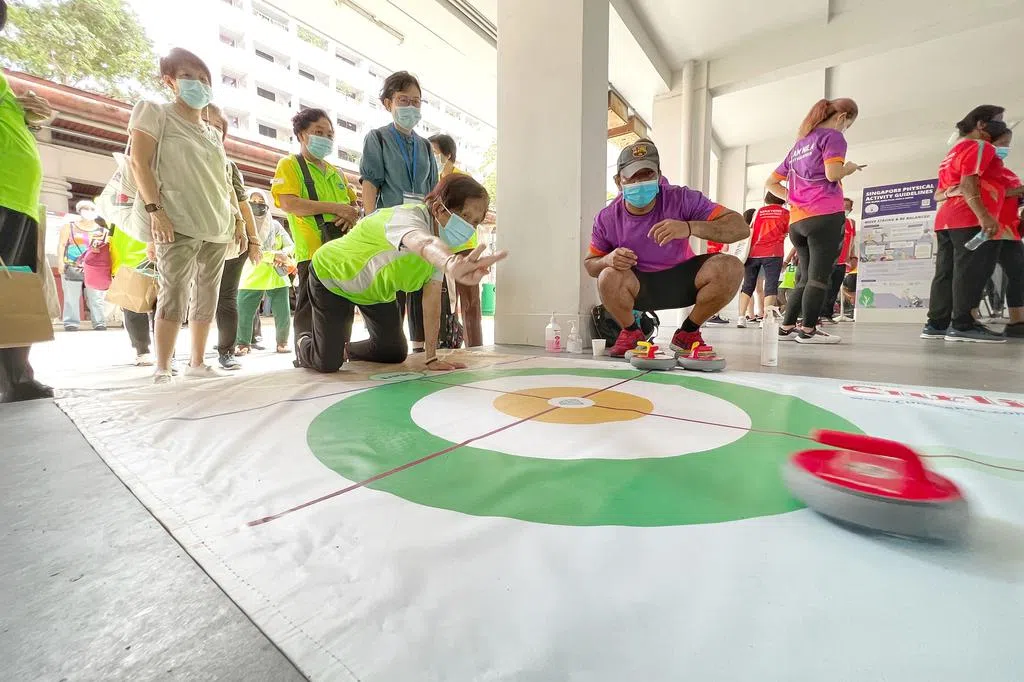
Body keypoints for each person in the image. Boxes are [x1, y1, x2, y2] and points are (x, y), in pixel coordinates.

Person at [294, 174, 505, 373]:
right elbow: (423, 243)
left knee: (393, 352)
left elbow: (431, 302)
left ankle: (345, 350)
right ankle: (304, 341)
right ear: (439, 208)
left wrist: (431, 357)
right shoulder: (407, 218)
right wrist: (450, 262)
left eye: (475, 221)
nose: (469, 227)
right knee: (327, 363)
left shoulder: (441, 247)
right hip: (333, 277)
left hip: (375, 293)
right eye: (465, 216)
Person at [127, 48, 246, 384]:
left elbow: (224, 183)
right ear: (170, 81)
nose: (198, 84)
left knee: (208, 294)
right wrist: (156, 211)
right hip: (176, 219)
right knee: (173, 292)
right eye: (188, 77)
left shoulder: (212, 134)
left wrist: (237, 221)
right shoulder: (155, 112)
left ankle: (197, 362)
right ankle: (163, 366)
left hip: (217, 224)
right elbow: (139, 163)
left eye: (204, 79)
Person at [586, 139, 748, 358]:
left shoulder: (682, 198)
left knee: (731, 266)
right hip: (639, 286)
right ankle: (631, 333)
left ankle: (688, 333)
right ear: (618, 181)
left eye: (647, 175)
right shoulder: (607, 218)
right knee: (607, 275)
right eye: (633, 176)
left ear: (659, 176)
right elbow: (590, 265)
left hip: (682, 281)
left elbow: (740, 228)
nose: (640, 182)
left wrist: (689, 227)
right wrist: (608, 259)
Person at [766, 97, 864, 344]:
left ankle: (787, 327)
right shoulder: (833, 137)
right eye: (848, 124)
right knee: (819, 277)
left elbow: (771, 183)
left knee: (804, 277)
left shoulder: (798, 146)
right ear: (842, 117)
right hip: (824, 216)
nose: (845, 128)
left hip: (797, 221)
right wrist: (850, 168)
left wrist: (793, 198)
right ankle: (808, 330)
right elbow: (833, 174)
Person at [360, 71, 440, 353]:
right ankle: (386, 341)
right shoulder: (377, 138)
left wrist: (436, 232)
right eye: (403, 100)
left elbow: (433, 192)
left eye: (416, 102)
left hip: (420, 224)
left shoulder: (425, 146)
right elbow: (370, 182)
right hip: (390, 226)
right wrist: (370, 220)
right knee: (392, 284)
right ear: (388, 103)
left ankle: (422, 345)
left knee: (420, 279)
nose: (410, 107)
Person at [0, 0, 54, 402]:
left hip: (20, 198)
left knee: (16, 287)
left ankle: (17, 377)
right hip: (5, 194)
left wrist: (29, 115)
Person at [271, 108, 359, 354]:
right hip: (312, 251)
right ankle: (306, 353)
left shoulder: (337, 172)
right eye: (318, 132)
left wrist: (351, 213)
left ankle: (339, 352)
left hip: (342, 252)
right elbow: (289, 203)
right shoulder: (290, 165)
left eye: (330, 134)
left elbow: (352, 205)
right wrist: (336, 208)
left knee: (342, 307)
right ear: (301, 134)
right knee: (310, 308)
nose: (326, 138)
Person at [921, 105, 1008, 343]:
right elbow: (969, 183)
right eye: (999, 120)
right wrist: (984, 215)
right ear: (981, 124)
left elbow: (940, 193)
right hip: (968, 218)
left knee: (946, 272)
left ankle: (936, 324)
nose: (1002, 125)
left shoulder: (952, 153)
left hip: (946, 220)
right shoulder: (980, 146)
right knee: (970, 270)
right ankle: (963, 324)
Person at [205, 104, 261, 370]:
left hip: (231, 236)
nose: (211, 129)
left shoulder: (229, 166)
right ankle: (178, 356)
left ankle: (226, 350)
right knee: (190, 296)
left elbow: (242, 202)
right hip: (192, 235)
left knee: (226, 297)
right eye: (205, 123)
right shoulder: (178, 156)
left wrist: (254, 239)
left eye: (218, 126)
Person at [429, 132, 483, 346]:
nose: (431, 156)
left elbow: (474, 213)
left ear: (448, 154)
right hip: (442, 246)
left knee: (469, 300)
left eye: (434, 152)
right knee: (444, 298)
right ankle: (445, 342)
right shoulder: (434, 179)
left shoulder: (461, 180)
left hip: (464, 246)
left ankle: (475, 346)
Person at [236, 190, 294, 354]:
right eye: (253, 201)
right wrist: (273, 255)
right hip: (251, 274)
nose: (257, 204)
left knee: (282, 313)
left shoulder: (275, 225)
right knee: (244, 312)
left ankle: (282, 342)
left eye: (261, 201)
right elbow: (246, 249)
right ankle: (242, 344)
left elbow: (290, 245)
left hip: (276, 274)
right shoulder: (243, 225)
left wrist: (283, 254)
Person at [737, 193, 789, 328]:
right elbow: (787, 231)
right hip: (773, 253)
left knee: (747, 285)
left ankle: (741, 318)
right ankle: (765, 319)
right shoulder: (785, 213)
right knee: (770, 286)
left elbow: (751, 229)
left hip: (753, 252)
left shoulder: (758, 212)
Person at [57, 200, 108, 331]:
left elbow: (106, 250)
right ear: (79, 211)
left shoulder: (102, 230)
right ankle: (71, 322)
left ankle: (99, 322)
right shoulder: (69, 227)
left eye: (92, 209)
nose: (89, 212)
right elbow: (62, 244)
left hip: (94, 267)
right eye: (85, 209)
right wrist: (60, 262)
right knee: (71, 296)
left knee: (96, 297)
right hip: (72, 264)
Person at [820, 197, 857, 324]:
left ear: (850, 209)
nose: (844, 209)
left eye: (847, 207)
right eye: (843, 206)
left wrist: (852, 256)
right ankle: (818, 314)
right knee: (825, 287)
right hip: (828, 260)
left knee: (834, 289)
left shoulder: (851, 223)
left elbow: (852, 242)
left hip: (842, 261)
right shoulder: (829, 220)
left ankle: (827, 314)